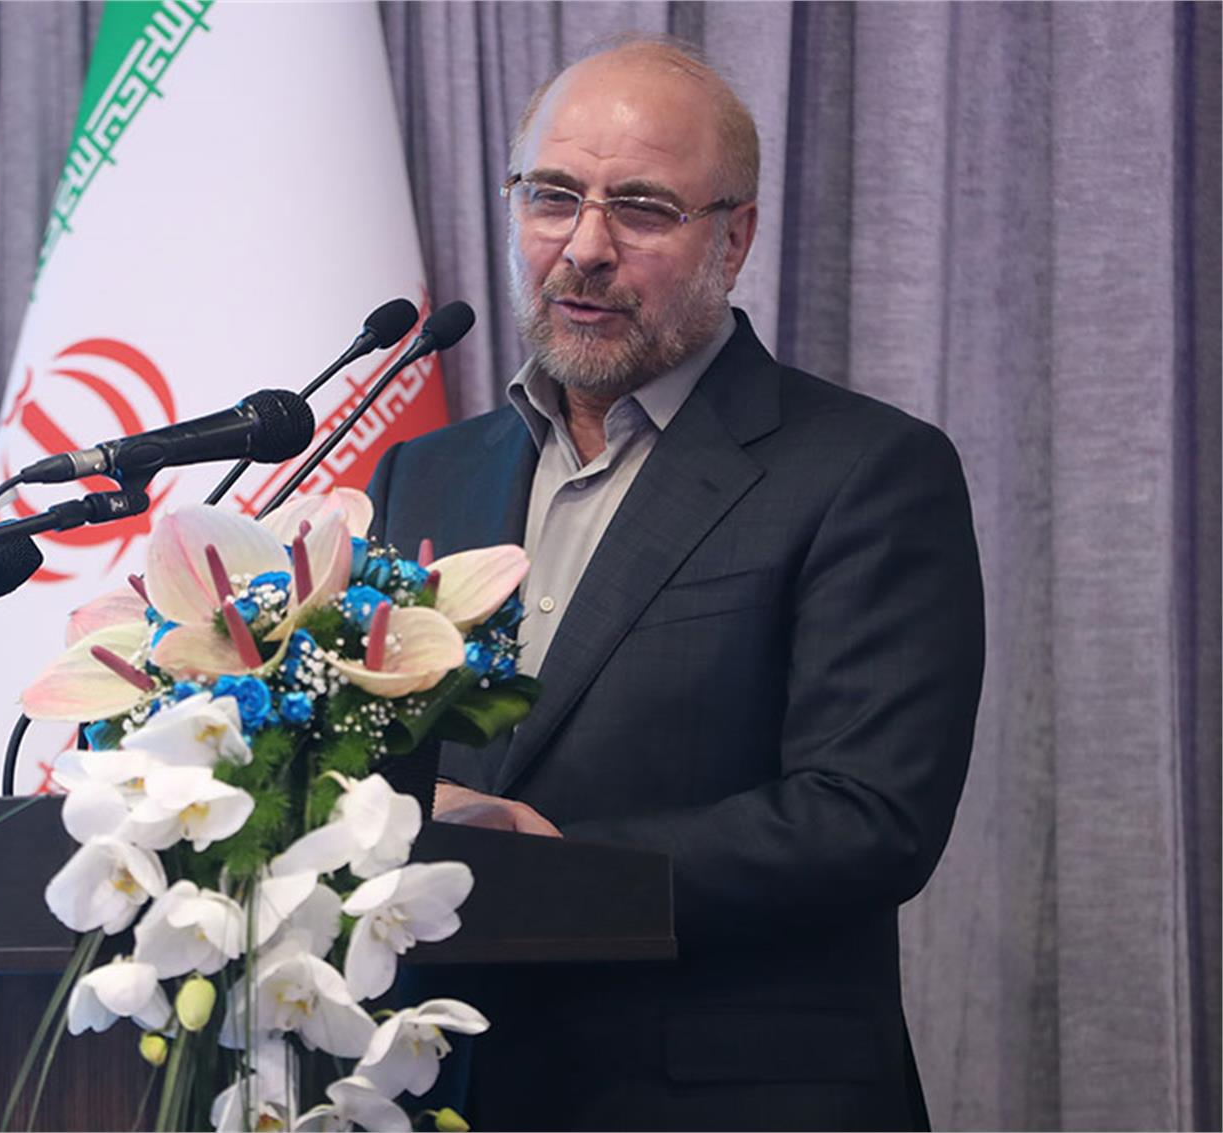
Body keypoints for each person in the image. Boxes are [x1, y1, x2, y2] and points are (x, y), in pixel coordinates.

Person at [367, 36, 985, 1132]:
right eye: (552, 196)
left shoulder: (866, 469)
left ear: (733, 238)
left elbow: (868, 817)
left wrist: (559, 862)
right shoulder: (426, 473)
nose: (584, 247)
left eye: (642, 209)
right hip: (440, 1090)